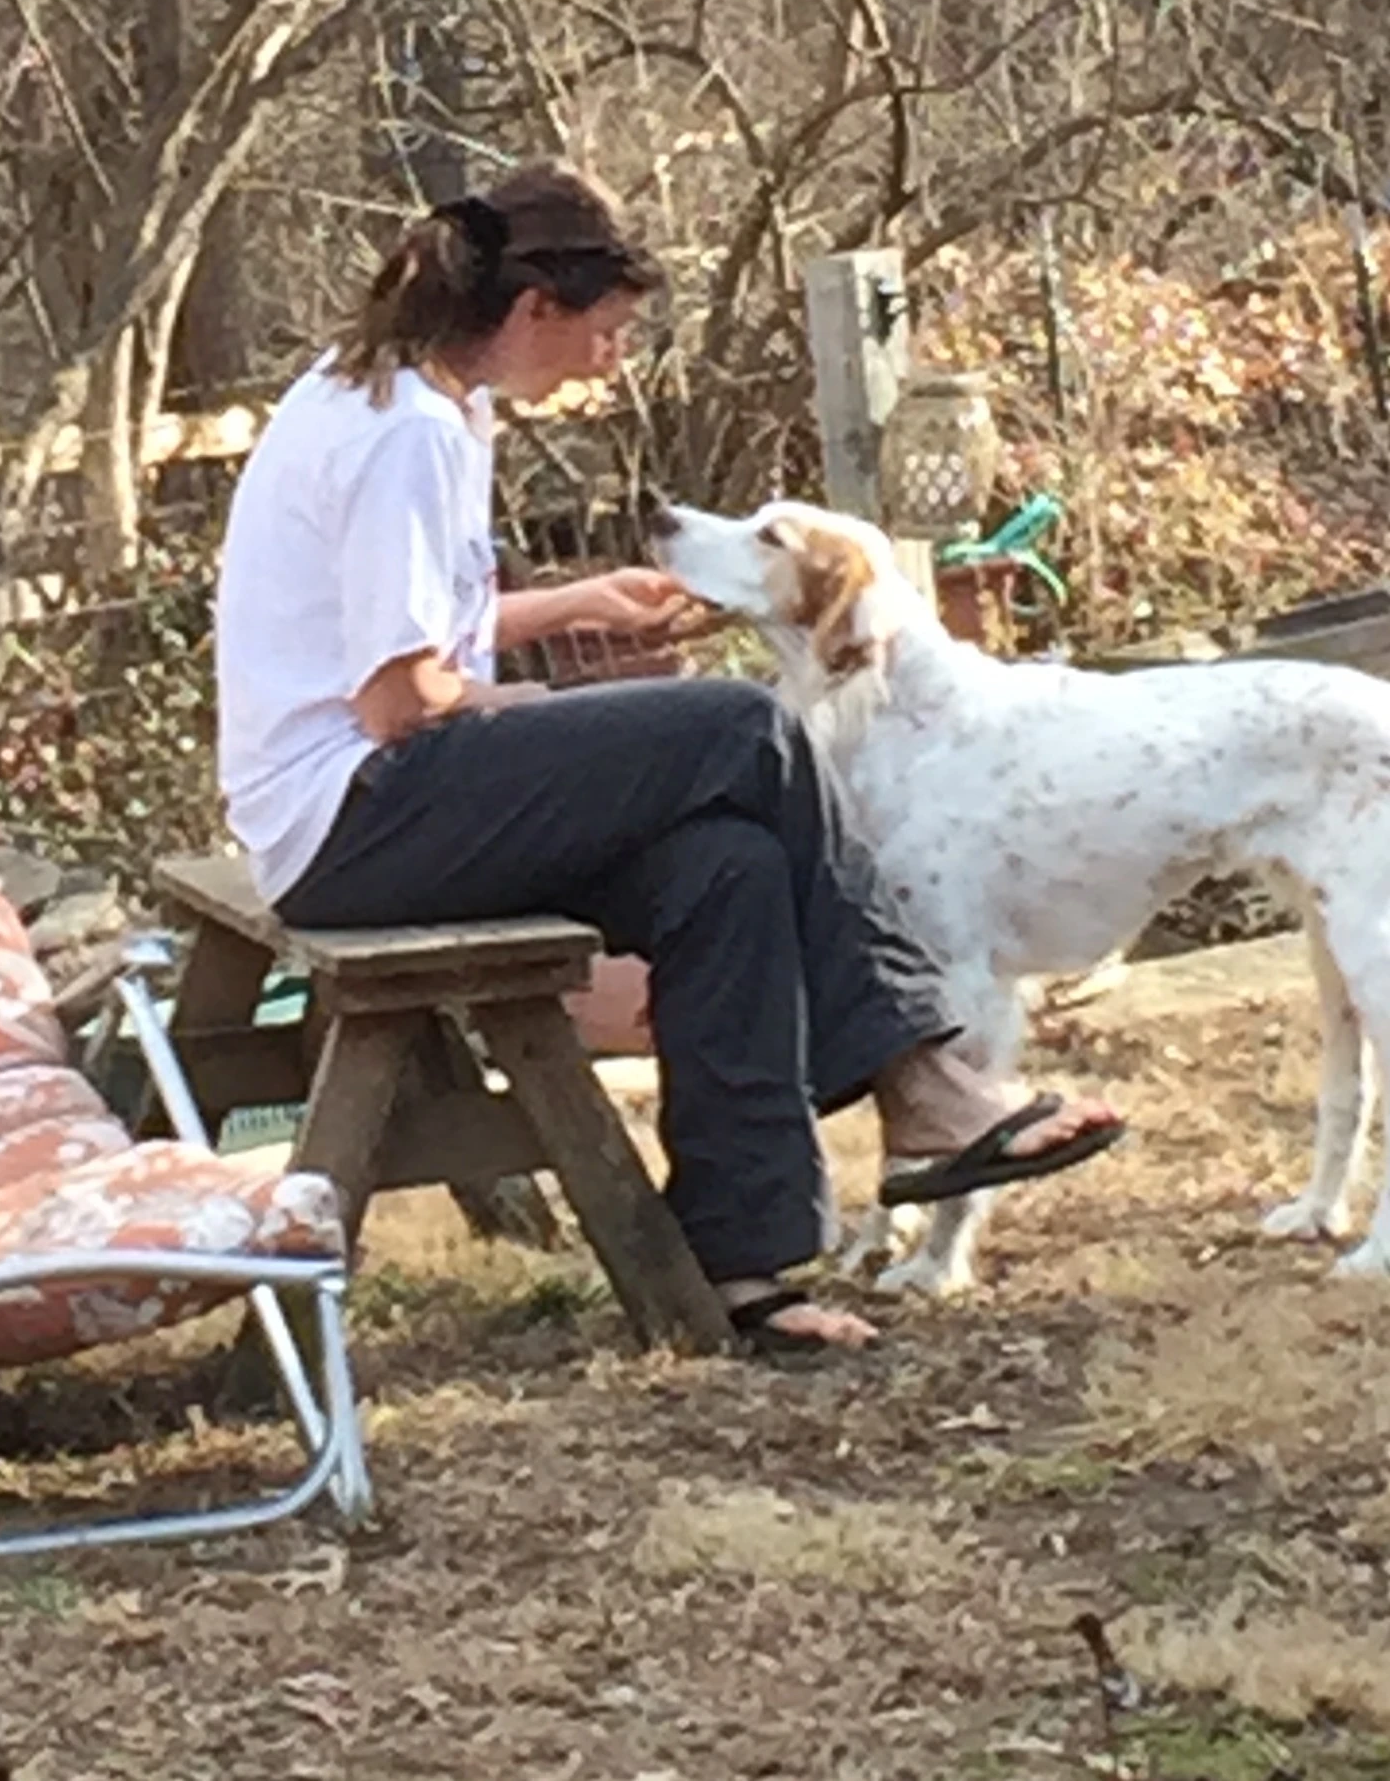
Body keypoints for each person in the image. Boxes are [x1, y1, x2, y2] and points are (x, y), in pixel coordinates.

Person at [214, 162, 1123, 1354]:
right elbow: (400, 703)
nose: (613, 359)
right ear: (535, 309)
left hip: (382, 801)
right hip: (354, 818)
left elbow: (400, 633)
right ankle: (925, 1080)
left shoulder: (410, 396)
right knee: (741, 726)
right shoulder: (409, 437)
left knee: (727, 860)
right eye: (609, 331)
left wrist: (575, 609)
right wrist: (560, 721)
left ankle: (741, 1270)